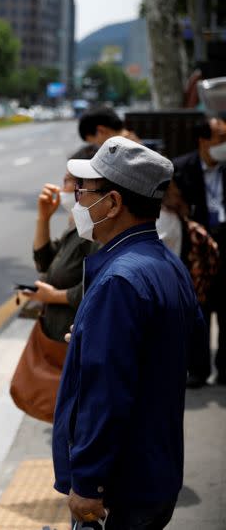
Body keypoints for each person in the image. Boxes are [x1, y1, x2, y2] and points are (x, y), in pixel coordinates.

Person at [53, 137, 205, 529]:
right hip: (157, 469)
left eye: (85, 191)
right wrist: (95, 339)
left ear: (114, 203)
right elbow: (188, 349)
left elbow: (107, 394)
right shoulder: (166, 264)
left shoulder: (119, 281)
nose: (79, 200)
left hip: (120, 484)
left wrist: (88, 482)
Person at [10, 145, 99, 423]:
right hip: (57, 338)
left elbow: (96, 289)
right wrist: (43, 218)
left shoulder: (95, 232)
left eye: (69, 182)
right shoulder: (77, 225)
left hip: (72, 342)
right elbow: (45, 262)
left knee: (71, 420)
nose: (62, 188)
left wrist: (54, 297)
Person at [172, 117, 226, 386]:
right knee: (198, 308)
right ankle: (198, 369)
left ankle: (225, 369)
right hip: (196, 250)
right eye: (220, 138)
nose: (224, 144)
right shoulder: (181, 169)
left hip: (225, 243)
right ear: (203, 140)